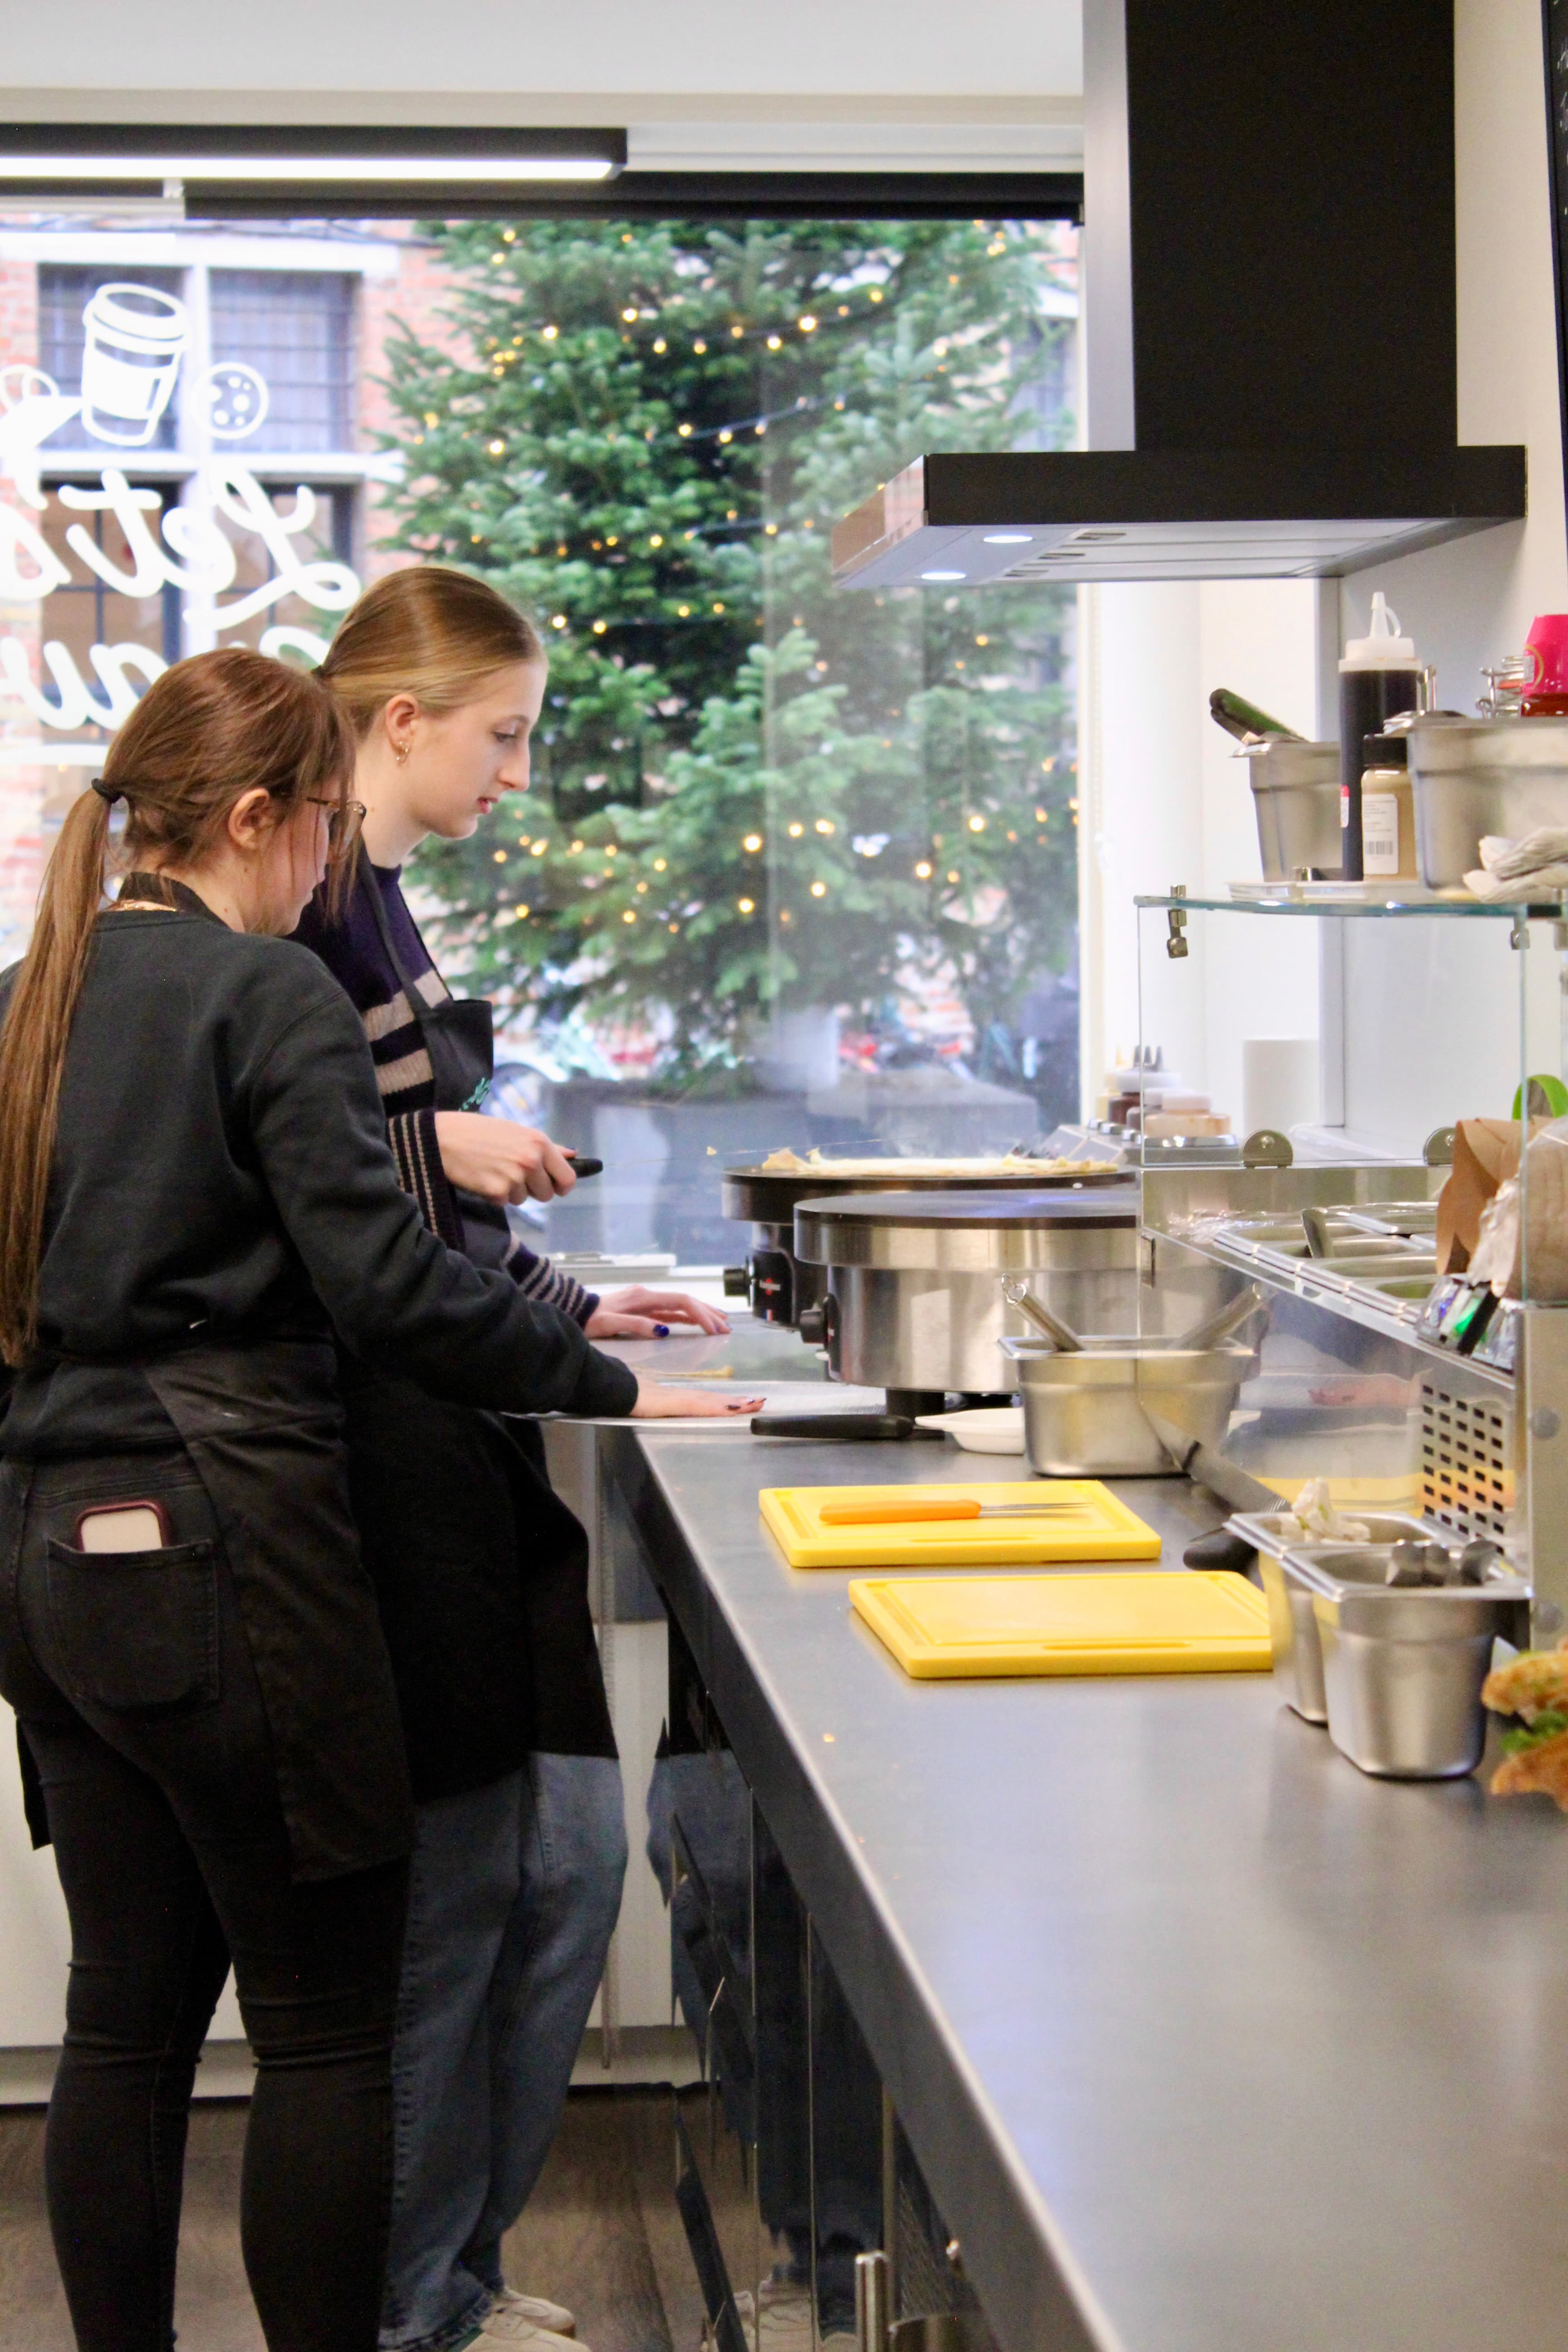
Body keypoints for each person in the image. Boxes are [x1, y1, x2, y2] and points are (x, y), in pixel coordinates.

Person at [0, 646, 757, 2352]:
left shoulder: (26, 995)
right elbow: (393, 1293)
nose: (333, 868)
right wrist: (616, 1378)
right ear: (260, 818)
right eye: (324, 828)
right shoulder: (264, 995)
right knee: (329, 2031)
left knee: (122, 2025)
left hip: (50, 1566)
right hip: (230, 1561)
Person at [295, 566, 725, 2352]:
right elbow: (337, 1225)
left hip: (470, 1457)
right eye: (504, 735)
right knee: (481, 1906)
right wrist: (449, 1170)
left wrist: (575, 1302)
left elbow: (420, 1211)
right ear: (401, 721)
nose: (518, 772)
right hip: (385, 1485)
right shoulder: (297, 927)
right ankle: (416, 2310)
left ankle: (452, 2284)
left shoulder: (378, 919)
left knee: (560, 1875)